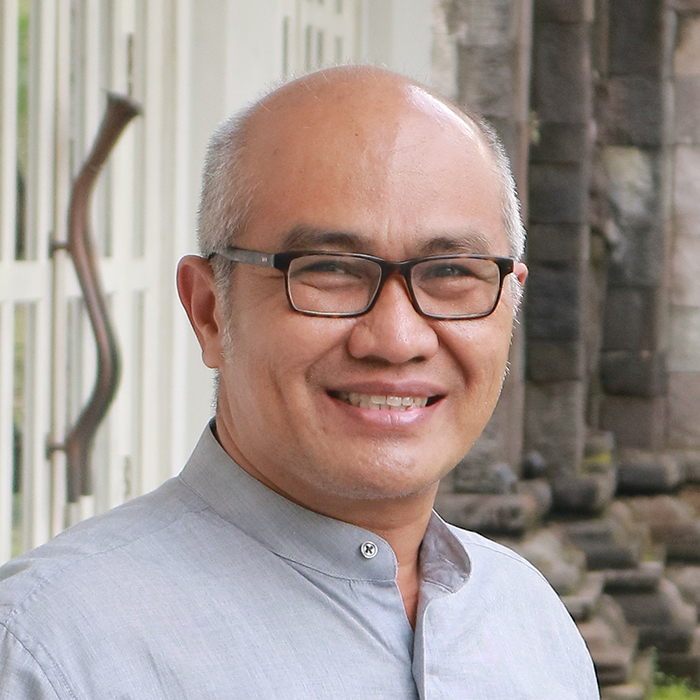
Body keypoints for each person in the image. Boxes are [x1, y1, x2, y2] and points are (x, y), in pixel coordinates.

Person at [0, 66, 599, 699]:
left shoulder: (529, 623)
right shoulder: (53, 652)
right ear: (209, 311)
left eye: (452, 271)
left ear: (511, 301)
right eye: (330, 270)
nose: (397, 339)